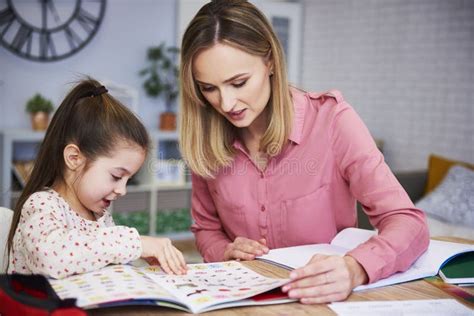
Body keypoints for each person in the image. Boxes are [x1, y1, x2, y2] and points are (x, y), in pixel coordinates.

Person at [179, 0, 429, 304]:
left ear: (270, 61)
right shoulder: (204, 138)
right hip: (241, 302)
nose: (227, 103)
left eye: (239, 82)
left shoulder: (333, 121)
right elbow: (205, 228)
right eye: (208, 88)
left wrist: (355, 268)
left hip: (322, 303)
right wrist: (224, 250)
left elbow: (408, 221)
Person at [7, 78, 187, 279]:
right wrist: (136, 243)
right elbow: (51, 259)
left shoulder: (100, 215)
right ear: (74, 158)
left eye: (128, 179)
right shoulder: (42, 205)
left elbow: (104, 263)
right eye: (117, 176)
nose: (122, 190)